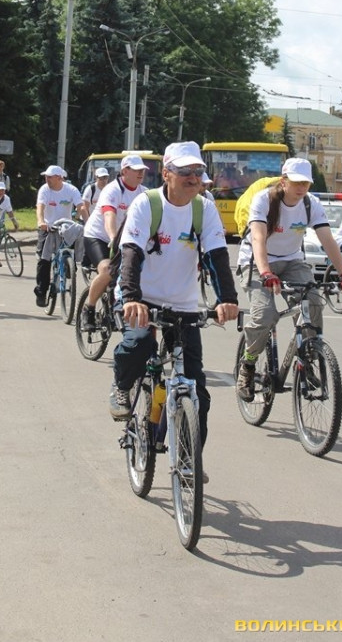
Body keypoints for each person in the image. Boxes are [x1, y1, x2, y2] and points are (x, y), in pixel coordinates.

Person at [109, 141, 239, 471]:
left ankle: (187, 461)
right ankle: (122, 386)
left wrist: (228, 299)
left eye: (198, 171)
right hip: (141, 296)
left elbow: (216, 256)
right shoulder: (147, 204)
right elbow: (131, 253)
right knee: (139, 343)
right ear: (167, 174)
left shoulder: (204, 209)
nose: (193, 178)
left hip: (182, 303)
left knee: (197, 390)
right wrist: (131, 297)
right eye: (185, 171)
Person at [235, 157, 342, 403]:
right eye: (297, 182)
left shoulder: (311, 204)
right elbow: (258, 238)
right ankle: (248, 365)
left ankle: (308, 356)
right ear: (284, 181)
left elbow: (327, 239)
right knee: (265, 315)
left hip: (291, 261)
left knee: (313, 302)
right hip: (257, 262)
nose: (302, 188)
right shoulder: (264, 200)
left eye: (306, 183)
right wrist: (266, 272)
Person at [81, 156, 148, 331]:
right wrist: (113, 237)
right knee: (107, 270)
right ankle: (89, 309)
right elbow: (109, 216)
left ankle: (116, 307)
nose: (141, 173)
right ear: (124, 171)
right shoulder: (112, 190)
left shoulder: (144, 193)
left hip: (125, 240)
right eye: (136, 170)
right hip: (99, 236)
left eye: (142, 170)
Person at [35, 165, 87, 307]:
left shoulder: (71, 190)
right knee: (43, 260)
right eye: (46, 177)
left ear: (59, 178)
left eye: (50, 177)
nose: (47, 179)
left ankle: (70, 266)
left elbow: (81, 206)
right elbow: (40, 207)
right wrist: (41, 222)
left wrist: (88, 223)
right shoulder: (44, 190)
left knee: (76, 238)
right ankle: (41, 292)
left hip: (65, 226)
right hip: (48, 226)